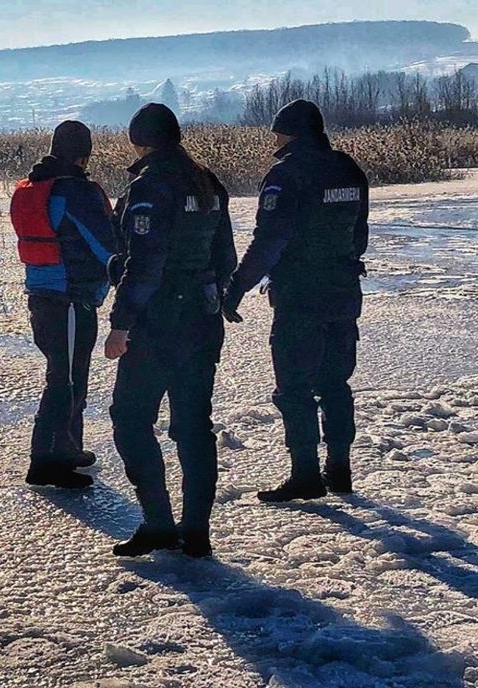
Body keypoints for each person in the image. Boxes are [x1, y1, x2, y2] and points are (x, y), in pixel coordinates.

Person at [105, 103, 237, 558]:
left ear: (140, 142)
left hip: (159, 323)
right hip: (201, 320)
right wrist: (216, 297)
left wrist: (120, 323)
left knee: (130, 418)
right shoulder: (207, 183)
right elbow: (227, 257)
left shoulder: (150, 187)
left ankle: (160, 522)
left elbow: (144, 265)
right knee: (193, 427)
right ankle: (196, 531)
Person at [222, 99, 369, 502]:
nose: (274, 138)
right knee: (336, 383)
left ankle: (305, 473)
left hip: (301, 293)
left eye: (278, 131)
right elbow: (360, 232)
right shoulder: (348, 168)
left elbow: (269, 240)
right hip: (343, 288)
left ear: (291, 133)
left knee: (295, 387)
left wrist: (236, 287)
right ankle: (339, 469)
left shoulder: (286, 175)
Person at [10, 120, 116, 489]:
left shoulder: (34, 186)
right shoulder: (76, 192)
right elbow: (107, 246)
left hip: (42, 293)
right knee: (66, 379)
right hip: (69, 295)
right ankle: (45, 461)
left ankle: (68, 448)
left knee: (68, 373)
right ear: (85, 154)